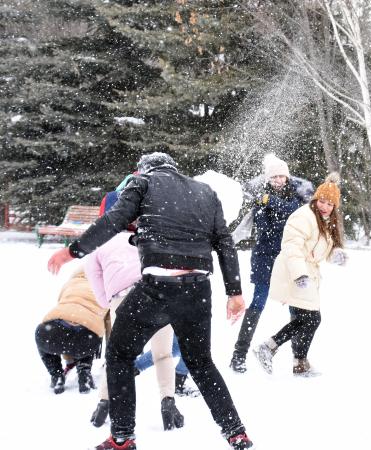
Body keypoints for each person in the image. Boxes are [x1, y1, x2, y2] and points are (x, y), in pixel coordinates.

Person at [47, 152, 253, 450]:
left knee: (119, 355)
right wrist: (234, 292)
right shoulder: (205, 191)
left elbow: (113, 220)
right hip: (197, 289)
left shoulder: (143, 183)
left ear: (144, 170)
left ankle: (122, 436)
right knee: (201, 362)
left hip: (157, 286)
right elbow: (224, 242)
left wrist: (72, 252)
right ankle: (236, 432)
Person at [83, 230, 186, 431]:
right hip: (159, 293)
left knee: (117, 357)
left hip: (123, 298)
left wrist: (111, 300)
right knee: (163, 354)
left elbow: (96, 284)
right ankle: (168, 403)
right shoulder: (152, 234)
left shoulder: (99, 245)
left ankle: (104, 402)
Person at [252, 174, 347, 376]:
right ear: (315, 199)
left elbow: (319, 249)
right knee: (311, 318)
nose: (325, 206)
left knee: (307, 318)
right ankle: (268, 348)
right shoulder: (303, 216)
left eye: (330, 204)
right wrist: (299, 274)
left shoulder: (325, 220)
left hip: (307, 273)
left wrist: (335, 255)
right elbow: (292, 247)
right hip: (294, 272)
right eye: (322, 201)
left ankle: (299, 362)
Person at [229, 153, 308, 373]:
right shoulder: (260, 198)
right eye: (274, 177)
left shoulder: (296, 195)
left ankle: (299, 359)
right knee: (258, 304)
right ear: (268, 179)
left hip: (289, 259)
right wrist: (268, 204)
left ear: (287, 177)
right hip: (264, 258)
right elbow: (265, 228)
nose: (278, 180)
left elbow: (295, 212)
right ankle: (239, 355)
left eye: (281, 176)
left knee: (297, 307)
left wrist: (271, 202)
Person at [35, 267, 106, 395]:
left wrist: (68, 356)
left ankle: (56, 374)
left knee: (44, 334)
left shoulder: (70, 283)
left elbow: (66, 321)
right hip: (85, 337)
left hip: (52, 332)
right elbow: (109, 322)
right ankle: (84, 372)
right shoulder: (106, 287)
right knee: (90, 331)